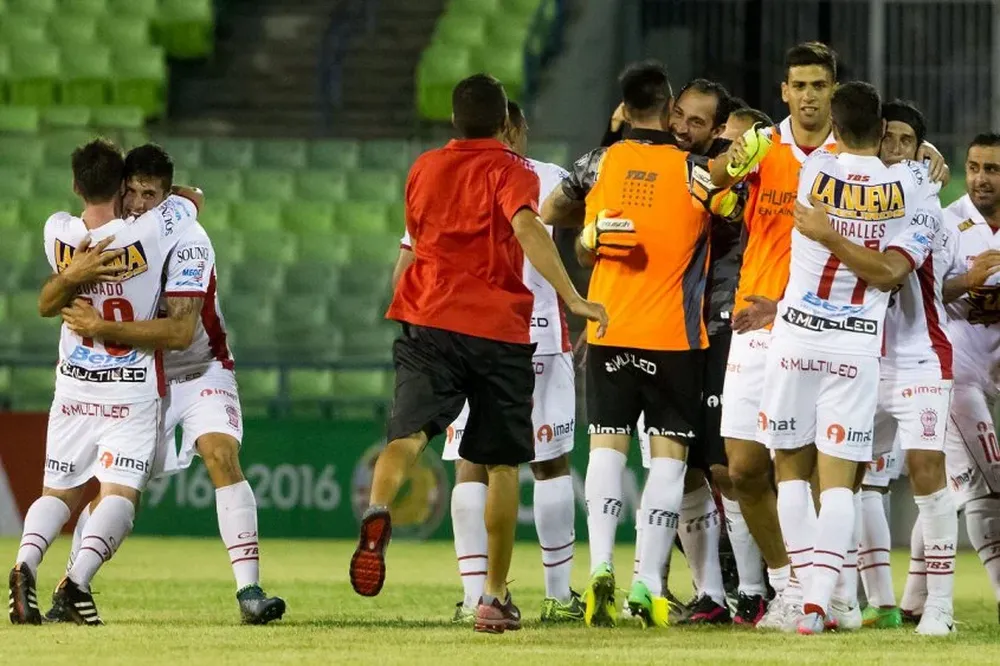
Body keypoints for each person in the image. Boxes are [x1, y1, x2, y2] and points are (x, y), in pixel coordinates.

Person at [348, 73, 607, 635]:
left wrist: (403, 308)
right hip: (495, 329)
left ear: (453, 120)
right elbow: (527, 230)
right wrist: (573, 296)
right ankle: (493, 597)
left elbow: (412, 247)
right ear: (507, 124)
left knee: (408, 437)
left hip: (426, 321)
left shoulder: (422, 168)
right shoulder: (513, 171)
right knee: (502, 464)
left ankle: (379, 509)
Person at [54, 144, 286, 625]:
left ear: (165, 195)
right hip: (139, 379)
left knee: (221, 455)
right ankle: (71, 586)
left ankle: (250, 592)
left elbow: (181, 333)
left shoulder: (189, 240)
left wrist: (102, 328)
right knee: (115, 491)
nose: (139, 202)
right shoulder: (114, 239)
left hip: (200, 367)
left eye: (150, 193)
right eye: (132, 191)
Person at [390, 101, 583, 624]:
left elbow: (408, 258)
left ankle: (475, 594)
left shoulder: (440, 175)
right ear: (515, 127)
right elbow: (582, 237)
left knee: (469, 465)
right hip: (536, 337)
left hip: (458, 333)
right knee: (547, 464)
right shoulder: (548, 177)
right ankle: (559, 595)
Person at [761, 80, 941, 635]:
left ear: (834, 128)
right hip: (857, 345)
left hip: (796, 336)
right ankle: (820, 605)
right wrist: (930, 155)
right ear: (886, 133)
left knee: (790, 466)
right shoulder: (912, 187)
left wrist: (831, 234)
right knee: (841, 480)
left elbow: (791, 136)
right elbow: (891, 272)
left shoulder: (813, 172)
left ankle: (804, 593)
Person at [561, 60, 726, 629]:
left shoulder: (599, 163)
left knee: (606, 450)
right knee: (668, 461)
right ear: (670, 105)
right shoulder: (695, 171)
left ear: (623, 107)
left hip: (609, 329)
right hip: (674, 338)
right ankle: (646, 581)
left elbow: (565, 218)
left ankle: (600, 566)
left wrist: (587, 237)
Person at [8, 139, 198, 625]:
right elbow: (191, 201)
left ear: (75, 185)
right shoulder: (150, 231)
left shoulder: (57, 231)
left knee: (59, 493)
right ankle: (76, 584)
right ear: (122, 187)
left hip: (73, 384)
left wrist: (76, 270)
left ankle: (24, 563)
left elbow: (51, 299)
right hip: (130, 385)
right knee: (119, 494)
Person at [934, 132, 1000, 625]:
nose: (981, 178)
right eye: (975, 167)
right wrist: (968, 281)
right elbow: (925, 288)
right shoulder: (947, 222)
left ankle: (913, 601)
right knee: (989, 480)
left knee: (958, 490)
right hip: (959, 369)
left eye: (993, 169)